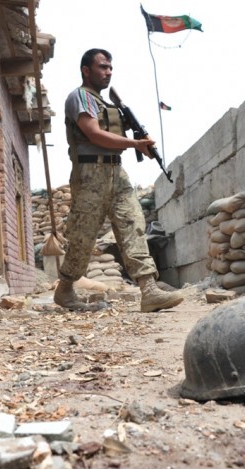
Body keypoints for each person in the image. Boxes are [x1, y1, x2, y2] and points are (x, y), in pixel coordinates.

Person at [54, 48, 184, 312]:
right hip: (90, 175)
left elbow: (112, 138)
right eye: (102, 67)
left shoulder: (107, 104)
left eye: (110, 67)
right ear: (86, 70)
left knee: (133, 224)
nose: (108, 72)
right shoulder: (80, 97)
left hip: (117, 172)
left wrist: (137, 143)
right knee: (82, 235)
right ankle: (65, 290)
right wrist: (135, 143)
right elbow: (94, 134)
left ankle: (149, 290)